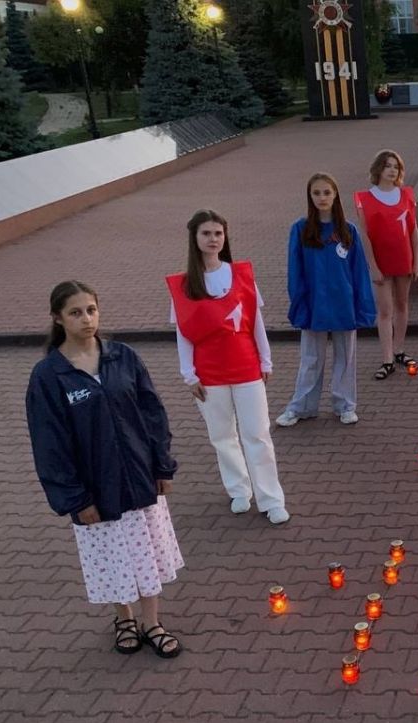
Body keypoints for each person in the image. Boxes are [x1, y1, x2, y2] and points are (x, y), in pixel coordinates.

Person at [26, 281, 185, 658]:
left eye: (92, 310)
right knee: (114, 557)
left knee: (146, 554)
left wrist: (162, 466)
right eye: (76, 313)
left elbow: (152, 413)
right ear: (58, 318)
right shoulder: (49, 376)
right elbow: (49, 445)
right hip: (96, 490)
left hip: (140, 478)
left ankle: (152, 622)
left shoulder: (123, 357)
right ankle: (124, 619)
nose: (87, 319)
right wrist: (75, 499)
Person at [166, 210, 290, 525]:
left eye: (218, 233)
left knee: (258, 434)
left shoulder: (241, 275)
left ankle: (271, 498)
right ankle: (238, 490)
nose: (213, 239)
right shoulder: (185, 285)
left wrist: (266, 359)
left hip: (246, 367)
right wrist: (188, 374)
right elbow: (183, 333)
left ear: (225, 237)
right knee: (222, 435)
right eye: (206, 233)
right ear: (195, 238)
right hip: (209, 373)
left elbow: (256, 323)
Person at [276, 173, 377, 427]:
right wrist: (299, 302)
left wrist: (362, 305)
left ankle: (345, 405)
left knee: (346, 356)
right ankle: (302, 406)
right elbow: (295, 269)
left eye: (327, 193)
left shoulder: (348, 230)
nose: (322, 198)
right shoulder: (300, 229)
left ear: (335, 195)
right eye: (316, 193)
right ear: (310, 197)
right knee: (311, 358)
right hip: (314, 303)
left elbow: (358, 271)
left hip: (344, 302)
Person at [355, 150, 418, 380]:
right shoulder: (365, 198)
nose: (392, 170)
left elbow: (413, 230)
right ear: (378, 169)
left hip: (404, 259)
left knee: (402, 305)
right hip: (381, 262)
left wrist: (417, 262)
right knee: (385, 311)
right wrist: (372, 265)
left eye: (396, 167)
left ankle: (399, 350)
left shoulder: (406, 195)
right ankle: (386, 359)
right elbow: (364, 235)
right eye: (388, 166)